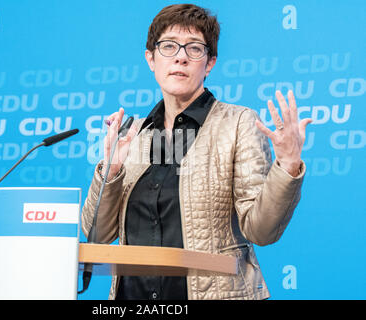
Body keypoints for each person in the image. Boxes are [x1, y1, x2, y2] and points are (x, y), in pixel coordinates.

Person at [81, 4, 312, 300]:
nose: (180, 56)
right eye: (168, 46)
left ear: (210, 62)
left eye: (194, 48)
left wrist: (288, 165)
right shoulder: (133, 133)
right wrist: (111, 171)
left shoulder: (238, 123)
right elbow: (97, 235)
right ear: (150, 59)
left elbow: (262, 230)